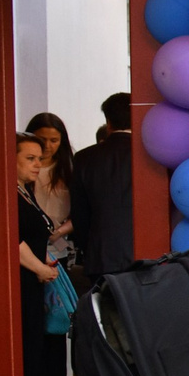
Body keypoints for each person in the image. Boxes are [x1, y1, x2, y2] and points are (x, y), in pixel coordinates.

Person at [8, 133, 66, 376]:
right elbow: (12, 239)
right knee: (20, 342)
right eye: (30, 159)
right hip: (16, 279)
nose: (37, 165)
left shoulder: (23, 191)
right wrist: (39, 268)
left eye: (39, 159)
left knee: (32, 341)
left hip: (31, 278)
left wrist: (43, 262)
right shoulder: (2, 193)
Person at [68, 93, 133, 283]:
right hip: (147, 254)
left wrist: (88, 248)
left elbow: (79, 213)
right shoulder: (152, 154)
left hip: (101, 254)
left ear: (108, 122)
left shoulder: (84, 158)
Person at [23, 110, 74, 272]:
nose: (47, 146)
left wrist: (59, 231)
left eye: (54, 140)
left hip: (57, 242)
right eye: (41, 139)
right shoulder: (21, 169)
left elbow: (82, 209)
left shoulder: (69, 169)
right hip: (26, 242)